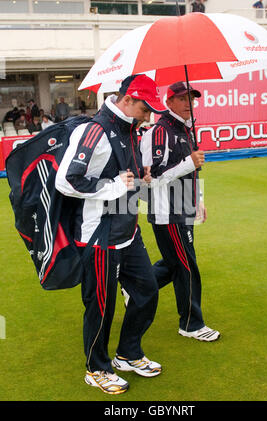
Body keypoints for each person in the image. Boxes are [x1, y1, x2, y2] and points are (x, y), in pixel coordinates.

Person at [55, 74, 167, 395]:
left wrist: (141, 179)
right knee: (100, 306)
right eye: (146, 107)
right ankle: (96, 368)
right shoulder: (94, 130)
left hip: (128, 230)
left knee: (147, 290)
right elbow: (67, 181)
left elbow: (130, 179)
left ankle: (128, 353)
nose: (150, 114)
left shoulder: (131, 130)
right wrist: (117, 186)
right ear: (129, 99)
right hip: (99, 235)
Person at [140, 81, 220, 342]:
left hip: (184, 206)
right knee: (186, 265)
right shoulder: (159, 132)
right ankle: (191, 323)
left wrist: (198, 200)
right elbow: (153, 177)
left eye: (191, 98)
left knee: (176, 262)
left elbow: (192, 174)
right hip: (167, 210)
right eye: (182, 98)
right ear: (169, 102)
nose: (188, 103)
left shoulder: (187, 130)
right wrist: (189, 162)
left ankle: (135, 285)